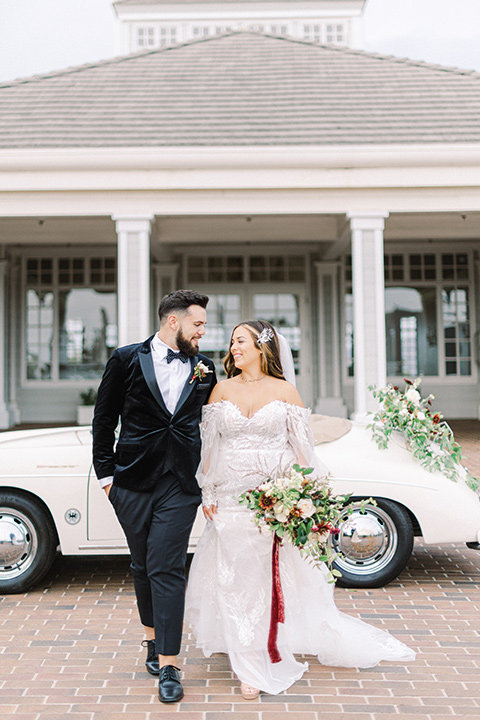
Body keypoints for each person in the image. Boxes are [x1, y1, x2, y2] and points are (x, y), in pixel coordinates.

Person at [185, 320, 415, 699]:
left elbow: (304, 453)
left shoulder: (285, 391)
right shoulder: (220, 390)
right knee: (231, 578)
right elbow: (209, 446)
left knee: (262, 580)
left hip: (272, 498)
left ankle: (255, 662)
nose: (232, 348)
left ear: (262, 347)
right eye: (231, 342)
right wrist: (207, 492)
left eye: (239, 341)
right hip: (228, 499)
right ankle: (245, 650)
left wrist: (302, 496)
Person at [92, 289, 217, 703]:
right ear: (172, 322)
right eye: (197, 324)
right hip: (130, 482)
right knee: (143, 564)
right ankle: (151, 637)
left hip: (181, 484)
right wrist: (107, 478)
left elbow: (212, 428)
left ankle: (170, 663)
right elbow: (104, 419)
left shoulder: (206, 368)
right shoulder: (126, 359)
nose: (202, 332)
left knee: (166, 566)